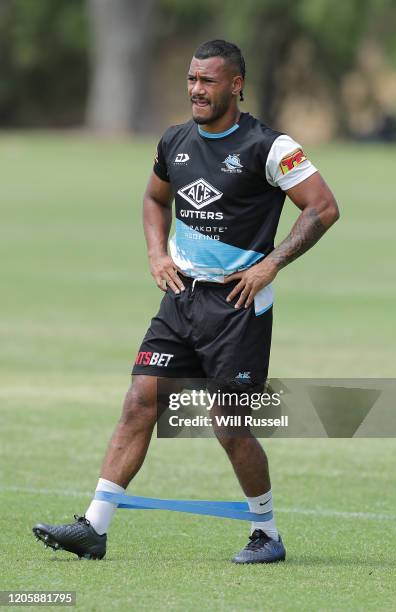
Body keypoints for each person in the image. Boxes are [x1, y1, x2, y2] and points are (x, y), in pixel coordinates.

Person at [33, 39, 339, 563]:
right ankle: (94, 526)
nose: (196, 90)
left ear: (236, 85)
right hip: (180, 299)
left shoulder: (270, 147)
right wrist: (157, 254)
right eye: (192, 80)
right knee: (139, 401)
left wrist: (271, 263)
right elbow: (154, 198)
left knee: (230, 427)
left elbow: (324, 208)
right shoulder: (174, 139)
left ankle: (265, 533)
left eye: (208, 81)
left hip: (238, 308)